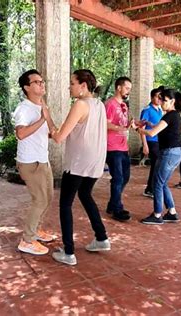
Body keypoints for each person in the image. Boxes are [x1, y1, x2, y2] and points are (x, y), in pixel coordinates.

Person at [50, 69, 109, 266]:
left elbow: (59, 137)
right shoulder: (99, 104)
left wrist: (47, 120)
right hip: (95, 161)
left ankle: (68, 252)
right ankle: (101, 238)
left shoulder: (80, 104)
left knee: (65, 204)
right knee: (85, 194)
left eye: (72, 83)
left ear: (83, 86)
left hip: (78, 163)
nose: (70, 87)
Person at [13, 69, 56, 256]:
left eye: (42, 81)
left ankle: (36, 230)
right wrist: (42, 119)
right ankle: (27, 240)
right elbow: (20, 134)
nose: (42, 84)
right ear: (26, 87)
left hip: (43, 159)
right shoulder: (24, 108)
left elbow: (47, 130)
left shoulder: (41, 106)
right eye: (37, 82)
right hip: (30, 162)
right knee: (39, 200)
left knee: (49, 198)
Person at [137, 89, 181, 224]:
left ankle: (157, 215)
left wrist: (138, 129)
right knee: (162, 183)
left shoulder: (170, 115)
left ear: (172, 101)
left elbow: (152, 133)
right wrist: (149, 124)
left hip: (170, 153)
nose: (162, 102)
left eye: (165, 100)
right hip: (173, 152)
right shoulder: (173, 115)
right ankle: (172, 212)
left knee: (157, 183)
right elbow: (159, 127)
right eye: (161, 99)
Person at [105, 76, 133, 221]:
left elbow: (124, 123)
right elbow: (105, 123)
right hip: (112, 146)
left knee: (125, 177)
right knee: (118, 178)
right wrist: (121, 127)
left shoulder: (123, 105)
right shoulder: (110, 104)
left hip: (123, 146)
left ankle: (112, 204)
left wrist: (135, 124)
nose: (129, 91)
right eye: (127, 88)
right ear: (119, 87)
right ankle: (117, 209)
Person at [140, 87, 163, 198]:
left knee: (156, 165)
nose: (160, 99)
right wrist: (144, 145)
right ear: (152, 97)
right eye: (158, 96)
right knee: (156, 164)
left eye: (161, 97)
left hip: (158, 140)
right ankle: (150, 189)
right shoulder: (147, 110)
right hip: (150, 141)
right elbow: (141, 128)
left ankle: (150, 188)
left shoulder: (159, 110)